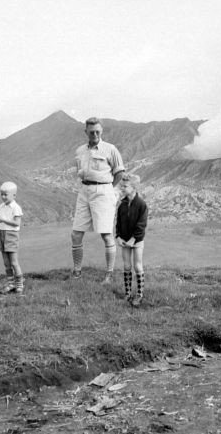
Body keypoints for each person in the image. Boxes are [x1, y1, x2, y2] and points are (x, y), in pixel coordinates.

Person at [71, 117, 125, 281]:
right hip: (84, 192)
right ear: (85, 131)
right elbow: (80, 171)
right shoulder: (80, 151)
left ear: (101, 131)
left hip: (103, 192)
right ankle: (77, 271)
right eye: (91, 131)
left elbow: (119, 172)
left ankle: (108, 273)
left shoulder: (110, 149)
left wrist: (108, 188)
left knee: (106, 234)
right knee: (75, 234)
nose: (95, 134)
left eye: (98, 131)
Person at [116, 173, 148, 307]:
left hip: (137, 241)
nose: (122, 188)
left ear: (134, 187)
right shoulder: (122, 205)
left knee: (137, 266)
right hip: (124, 240)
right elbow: (118, 222)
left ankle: (139, 295)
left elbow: (142, 224)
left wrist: (134, 239)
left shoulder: (141, 204)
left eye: (125, 186)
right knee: (127, 266)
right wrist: (117, 236)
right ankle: (128, 293)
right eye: (121, 186)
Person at [0, 181, 25, 295]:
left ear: (14, 195)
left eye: (5, 194)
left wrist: (2, 220)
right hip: (2, 234)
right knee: (6, 262)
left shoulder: (16, 208)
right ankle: (10, 283)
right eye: (2, 194)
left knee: (14, 262)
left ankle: (19, 284)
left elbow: (17, 223)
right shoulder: (0, 207)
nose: (3, 197)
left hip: (11, 235)